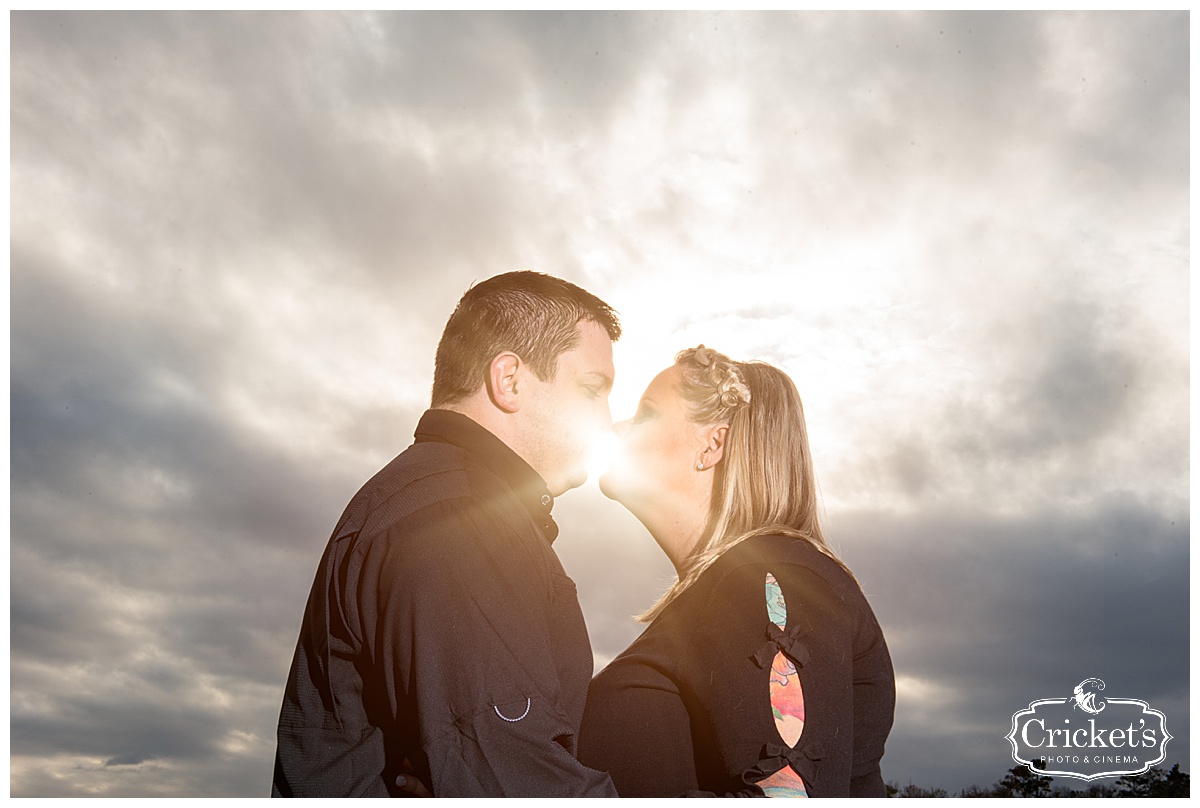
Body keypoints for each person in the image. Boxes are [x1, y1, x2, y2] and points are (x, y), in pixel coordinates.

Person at [272, 271, 620, 797]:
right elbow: (511, 781)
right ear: (510, 380)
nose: (609, 422)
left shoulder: (442, 500)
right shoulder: (460, 520)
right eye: (593, 390)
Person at [577, 345, 895, 797]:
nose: (616, 426)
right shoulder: (730, 590)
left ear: (714, 444)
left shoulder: (769, 575)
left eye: (646, 414)